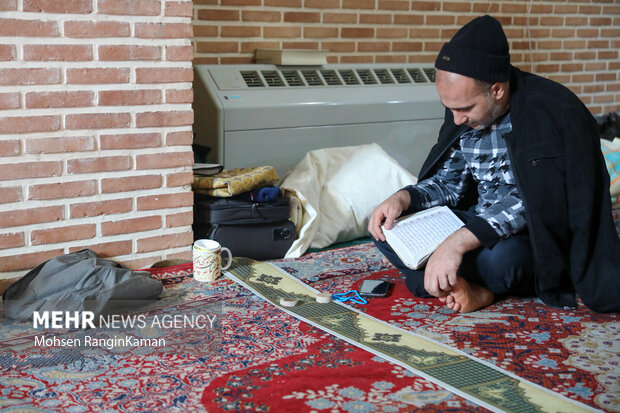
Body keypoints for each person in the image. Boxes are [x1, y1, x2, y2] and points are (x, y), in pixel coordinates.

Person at [368, 15, 620, 314]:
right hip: (478, 225)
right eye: (449, 109)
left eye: (464, 108)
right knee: (388, 229)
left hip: (536, 238)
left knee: (500, 261)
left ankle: (474, 288)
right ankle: (451, 276)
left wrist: (456, 244)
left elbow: (535, 202)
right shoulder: (462, 113)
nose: (457, 119)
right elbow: (450, 182)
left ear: (497, 89)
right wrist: (404, 197)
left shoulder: (553, 112)